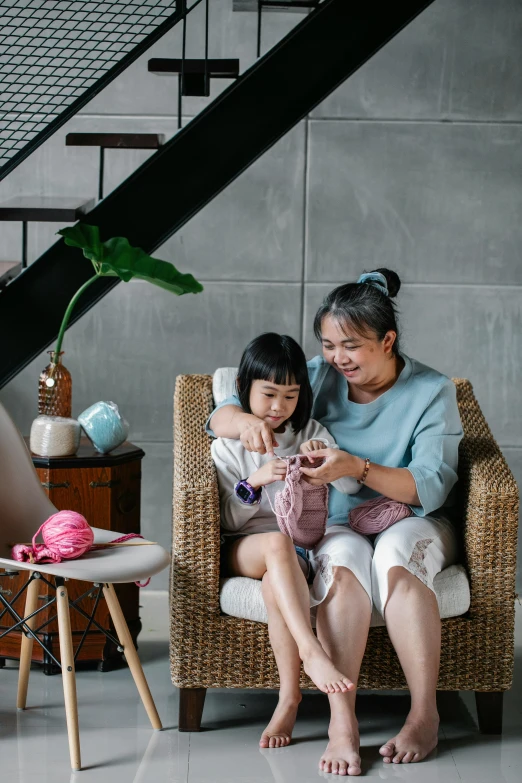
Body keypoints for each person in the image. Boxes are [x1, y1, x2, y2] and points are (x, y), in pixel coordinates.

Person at [207, 269, 463, 776]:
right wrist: (250, 425)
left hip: (409, 517)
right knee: (343, 563)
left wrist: (357, 468)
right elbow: (231, 405)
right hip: (336, 523)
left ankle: (423, 714)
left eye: (351, 345)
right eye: (327, 345)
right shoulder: (319, 377)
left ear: (387, 341)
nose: (337, 357)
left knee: (393, 559)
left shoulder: (433, 391)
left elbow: (430, 485)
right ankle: (341, 721)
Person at [212, 332, 362, 749]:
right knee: (277, 546)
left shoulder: (311, 431)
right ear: (244, 389)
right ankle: (312, 654)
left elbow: (350, 487)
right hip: (244, 546)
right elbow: (225, 518)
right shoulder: (228, 445)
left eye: (291, 396)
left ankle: (289, 698)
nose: (279, 407)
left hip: (295, 552)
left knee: (283, 581)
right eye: (269, 394)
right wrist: (254, 483)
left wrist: (326, 463)